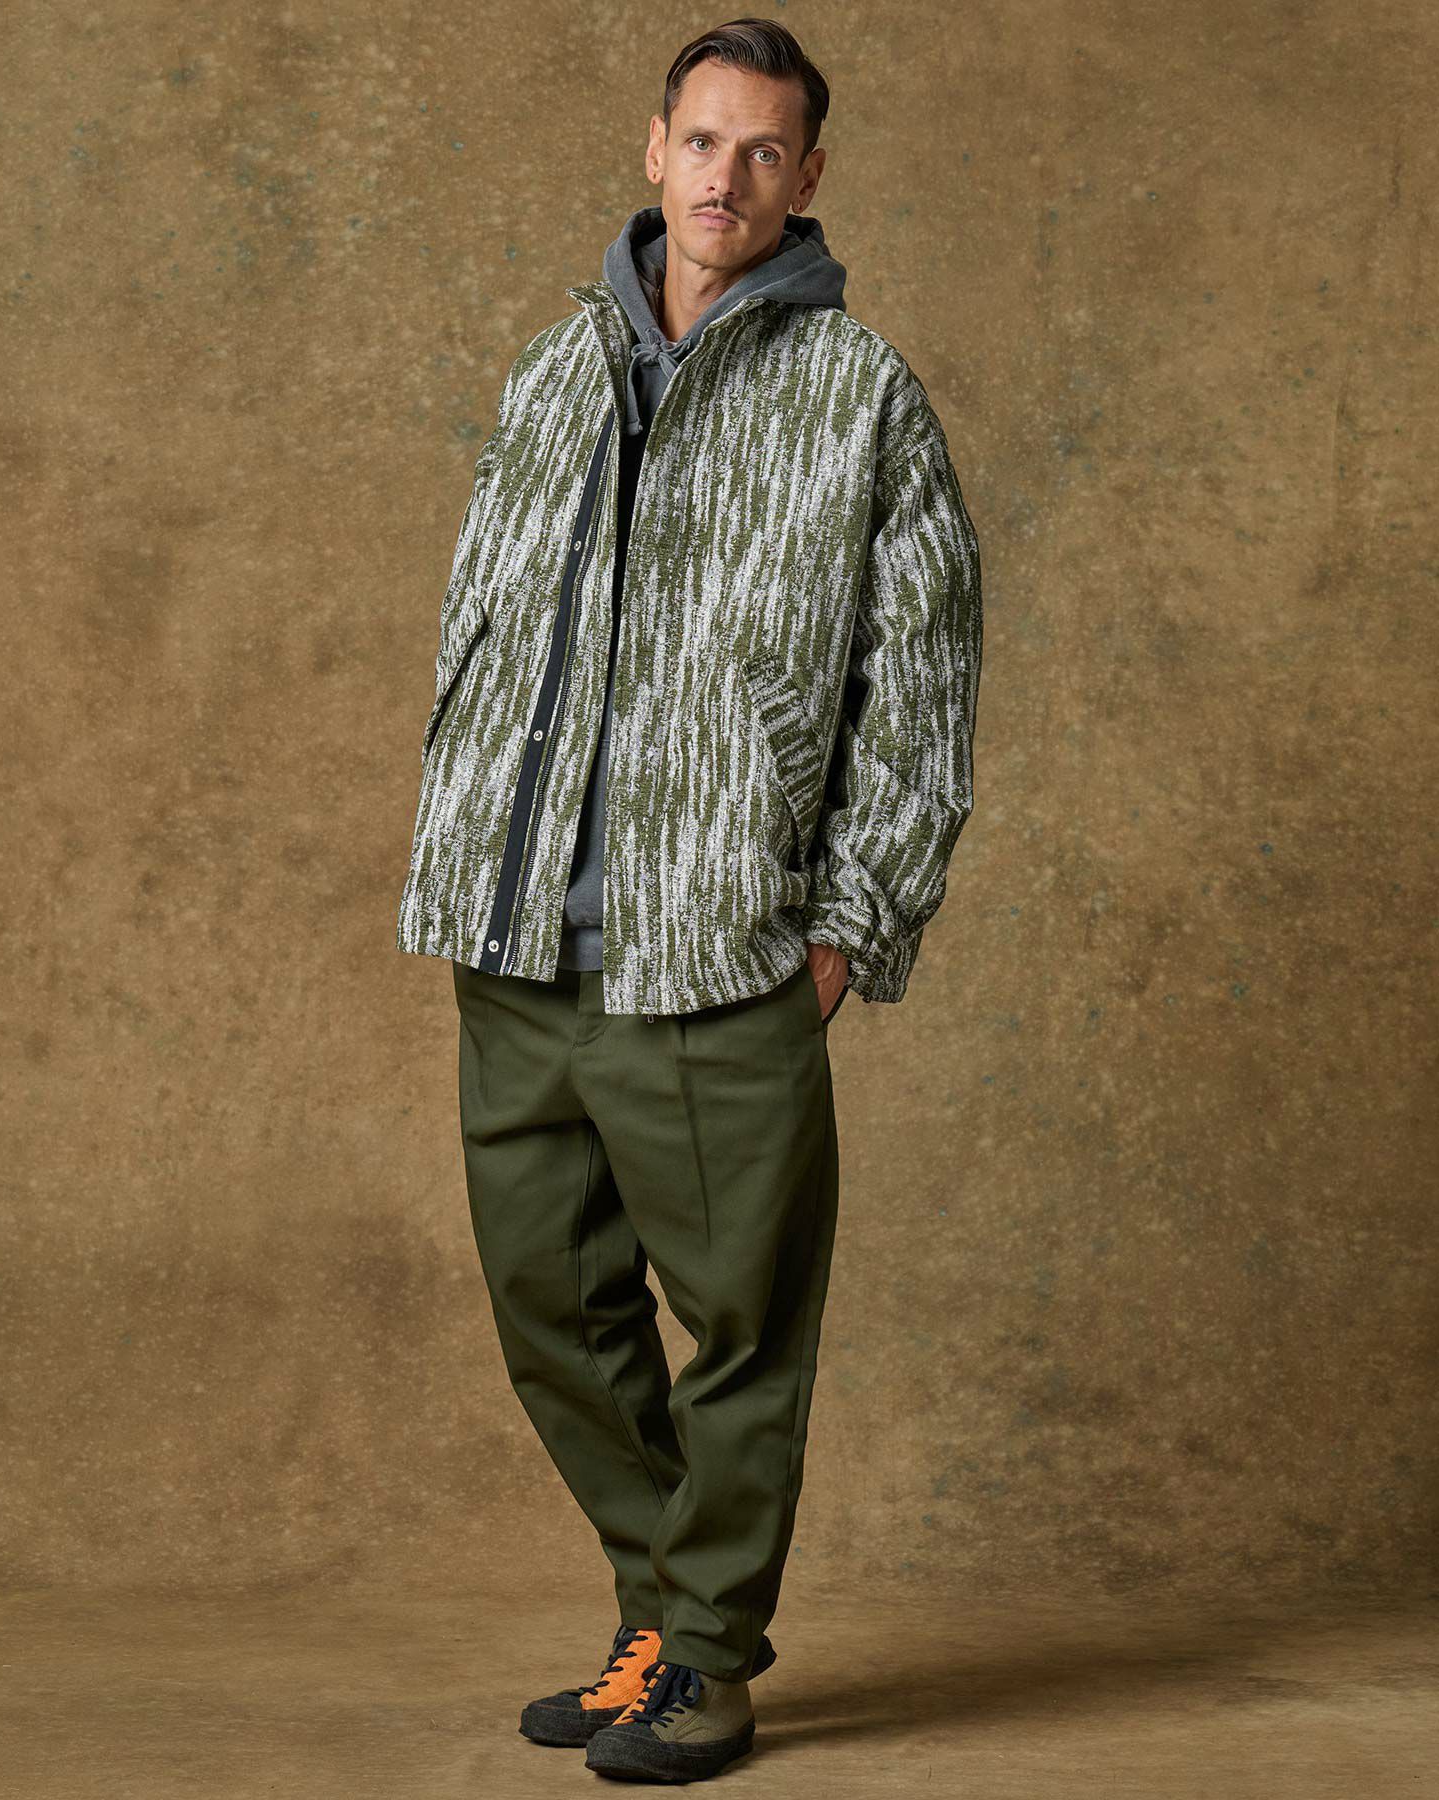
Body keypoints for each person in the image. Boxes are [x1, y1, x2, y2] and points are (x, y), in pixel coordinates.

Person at [395, 16, 982, 1784]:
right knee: (553, 1314)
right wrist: (464, 832)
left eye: (764, 151)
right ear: (654, 148)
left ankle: (708, 1657)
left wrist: (848, 930)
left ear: (807, 178)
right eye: (703, 141)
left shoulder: (861, 395)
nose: (727, 178)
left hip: (720, 953)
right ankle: (663, 1616)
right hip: (521, 940)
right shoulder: (554, 368)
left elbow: (922, 694)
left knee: (741, 1334)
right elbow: (482, 617)